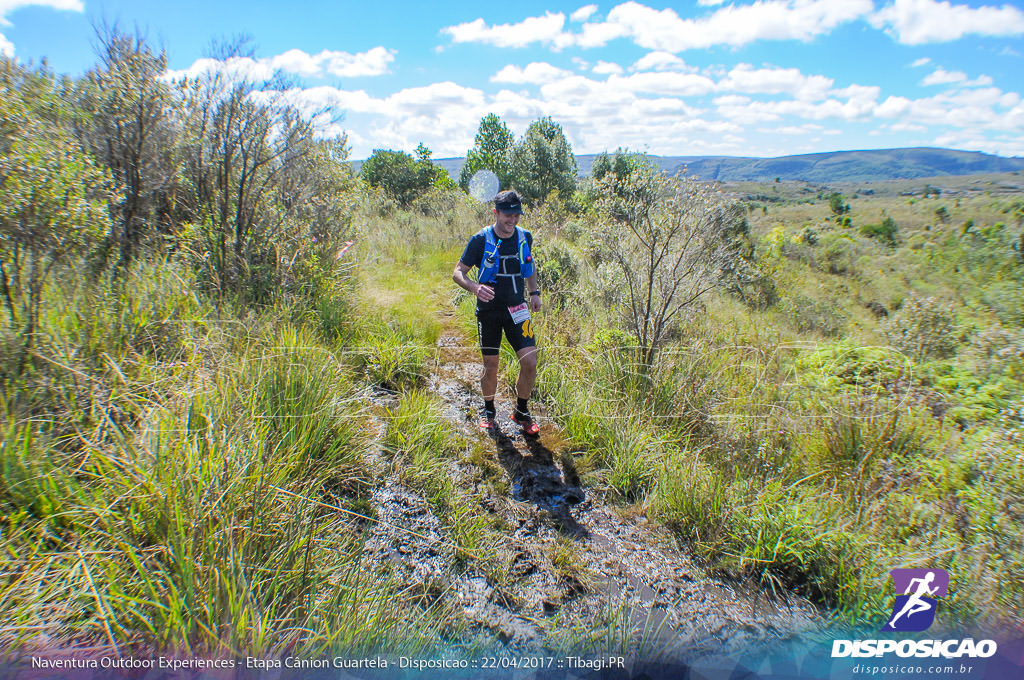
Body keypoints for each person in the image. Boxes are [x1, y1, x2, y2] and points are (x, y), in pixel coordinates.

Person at [452, 189, 542, 436]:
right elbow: (458, 272)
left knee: (530, 362)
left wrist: (534, 293)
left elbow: (529, 265)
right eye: (507, 215)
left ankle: (521, 411)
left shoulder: (525, 236)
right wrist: (474, 287)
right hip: (489, 312)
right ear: (496, 212)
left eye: (516, 215)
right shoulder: (480, 239)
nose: (512, 220)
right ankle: (489, 409)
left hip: (518, 309)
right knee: (490, 365)